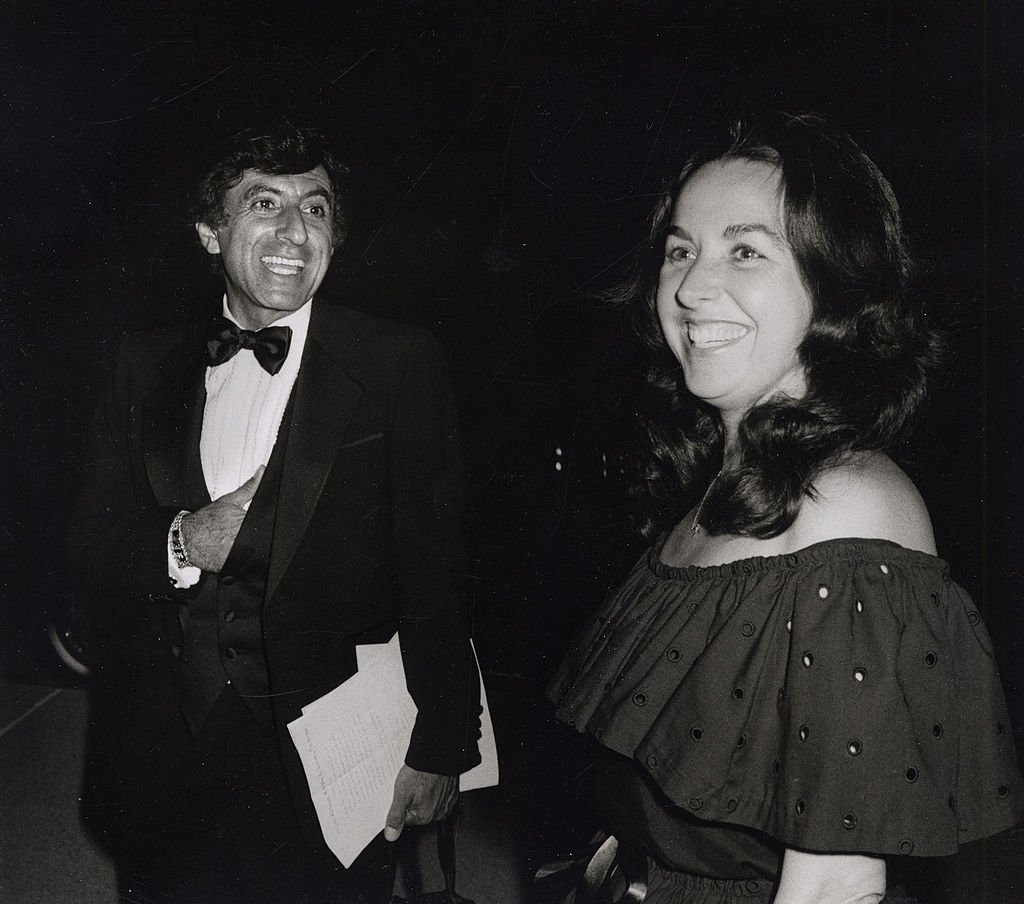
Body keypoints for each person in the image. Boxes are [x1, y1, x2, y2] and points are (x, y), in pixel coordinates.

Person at [546, 112, 1022, 903]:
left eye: (745, 249)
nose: (692, 287)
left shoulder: (849, 509)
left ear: (833, 284)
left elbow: (837, 879)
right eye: (679, 249)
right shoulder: (714, 491)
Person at [69, 124, 481, 903]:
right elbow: (88, 549)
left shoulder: (398, 364)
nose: (296, 231)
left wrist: (443, 746)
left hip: (330, 757)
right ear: (209, 229)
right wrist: (185, 539)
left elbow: (439, 570)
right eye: (265, 203)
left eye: (317, 209)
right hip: (166, 752)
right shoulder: (141, 363)